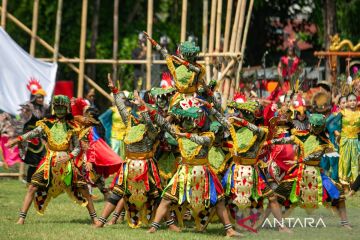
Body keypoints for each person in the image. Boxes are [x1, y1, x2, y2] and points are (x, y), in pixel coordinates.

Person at [6, 95, 96, 224]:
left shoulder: (73, 126)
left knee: (83, 189)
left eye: (62, 108)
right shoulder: (47, 123)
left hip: (67, 163)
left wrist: (69, 156)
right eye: (57, 107)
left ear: (67, 109)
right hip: (49, 161)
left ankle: (94, 219)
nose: (59, 111)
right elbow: (33, 133)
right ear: (54, 108)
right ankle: (21, 219)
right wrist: (17, 139)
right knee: (32, 187)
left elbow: (77, 147)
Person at [18, 79, 48, 184]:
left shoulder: (45, 107)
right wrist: (20, 137)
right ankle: (30, 180)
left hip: (39, 136)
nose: (41, 99)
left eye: (42, 97)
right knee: (33, 160)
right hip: (29, 137)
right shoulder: (28, 107)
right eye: (39, 97)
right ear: (34, 97)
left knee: (43, 158)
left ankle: (38, 180)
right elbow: (21, 122)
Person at [338, 93, 360, 185]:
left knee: (355, 161)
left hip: (356, 141)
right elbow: (332, 123)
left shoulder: (359, 113)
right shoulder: (342, 112)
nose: (352, 102)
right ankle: (344, 181)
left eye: (354, 100)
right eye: (350, 100)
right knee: (345, 161)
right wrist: (336, 133)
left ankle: (355, 182)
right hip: (345, 140)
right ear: (347, 102)